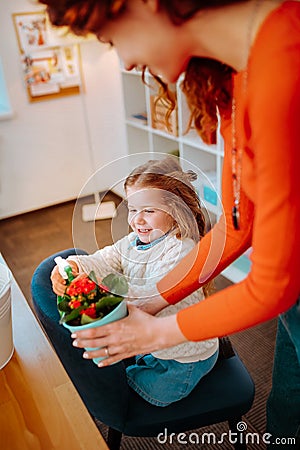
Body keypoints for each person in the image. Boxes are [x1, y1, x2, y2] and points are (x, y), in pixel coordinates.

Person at [36, 0, 300, 444]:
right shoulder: (239, 74)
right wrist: (156, 303)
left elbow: (275, 283)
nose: (125, 59)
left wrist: (156, 331)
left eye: (111, 36)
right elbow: (240, 224)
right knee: (291, 375)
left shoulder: (284, 70)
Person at [46, 156, 219, 407]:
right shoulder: (132, 241)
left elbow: (150, 297)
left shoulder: (182, 250)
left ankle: (209, 359)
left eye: (148, 210)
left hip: (185, 358)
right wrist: (75, 265)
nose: (137, 220)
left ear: (177, 209)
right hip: (157, 343)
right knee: (126, 365)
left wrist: (98, 283)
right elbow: (104, 258)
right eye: (133, 209)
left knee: (143, 391)